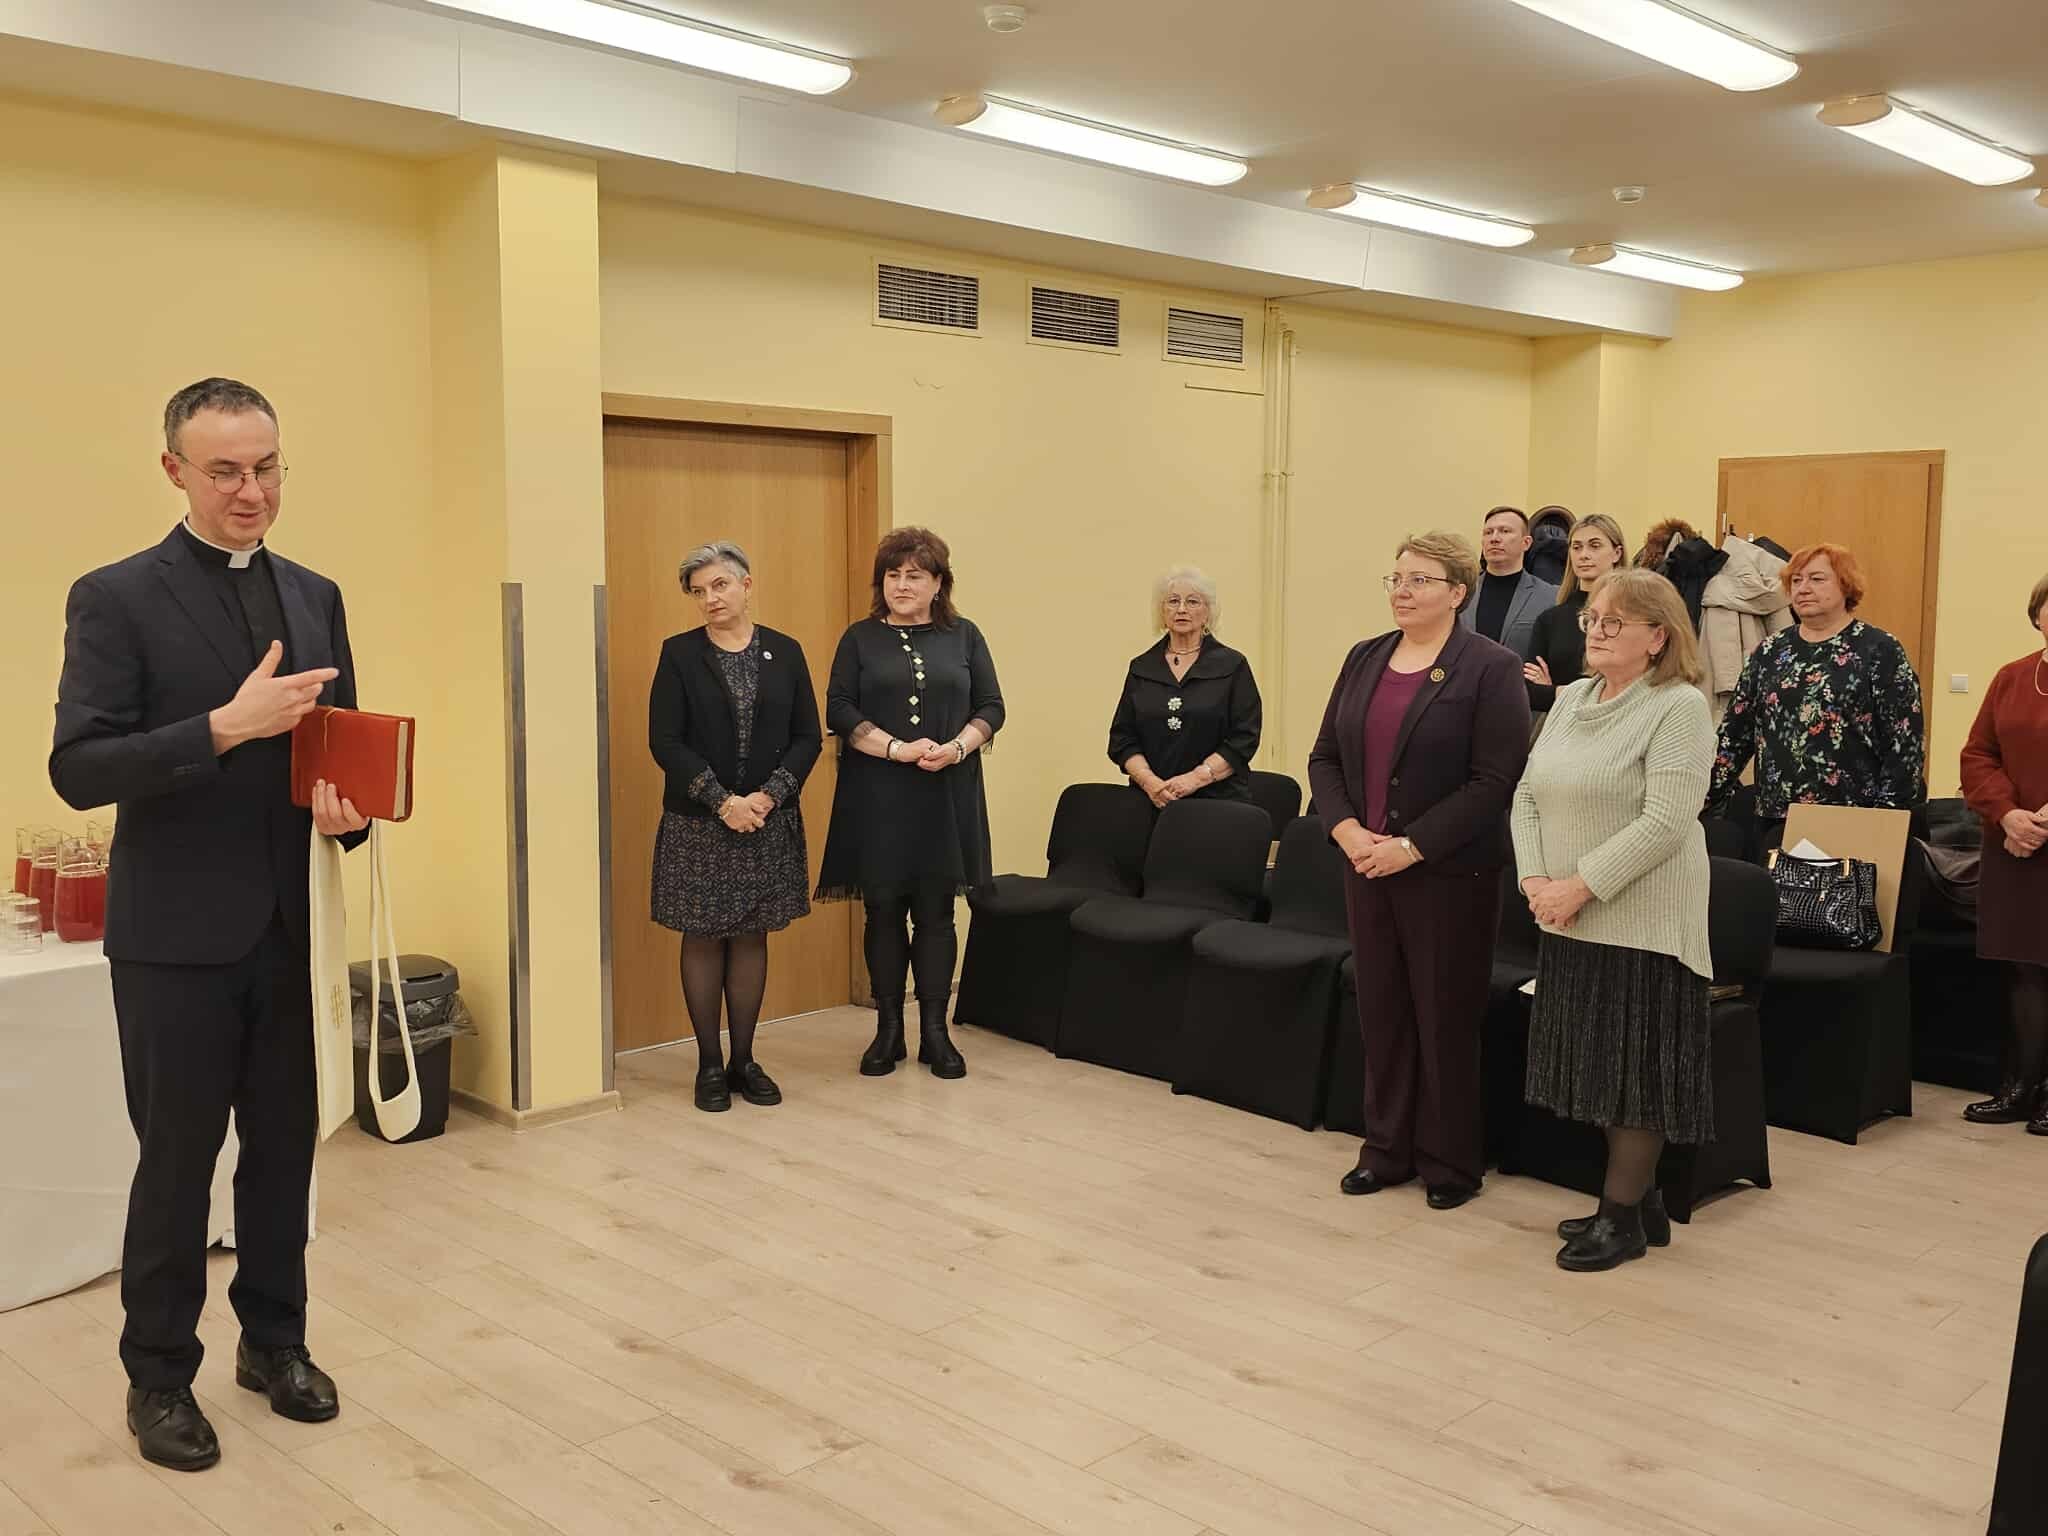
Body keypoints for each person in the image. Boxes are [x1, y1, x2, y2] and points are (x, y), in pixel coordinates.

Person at [49, 379, 368, 1472]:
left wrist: (352, 809)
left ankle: (275, 1343)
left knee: (282, 1157)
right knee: (177, 1167)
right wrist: (222, 729)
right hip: (173, 940)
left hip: (289, 927)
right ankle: (158, 1376)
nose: (251, 490)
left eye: (266, 466)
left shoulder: (317, 594)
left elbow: (338, 742)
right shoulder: (115, 597)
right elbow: (80, 767)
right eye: (225, 470)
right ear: (174, 471)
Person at [1309, 531, 1530, 1210]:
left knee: (1443, 1018)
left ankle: (1449, 1161)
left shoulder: (1490, 667)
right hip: (1366, 865)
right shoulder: (1365, 657)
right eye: (1396, 578)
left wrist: (1410, 847)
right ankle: (1386, 1150)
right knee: (1381, 1012)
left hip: (1449, 874)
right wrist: (1348, 832)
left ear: (1457, 592)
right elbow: (1324, 758)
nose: (1402, 591)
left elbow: (1494, 779)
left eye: (1420, 580)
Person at [1512, 570, 1716, 1272]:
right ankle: (1642, 1204)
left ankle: (1619, 1221)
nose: (1595, 631)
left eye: (1613, 622)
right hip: (1567, 911)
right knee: (1598, 1067)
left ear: (1658, 637)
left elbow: (1667, 821)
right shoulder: (1571, 698)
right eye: (1591, 619)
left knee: (1636, 1074)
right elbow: (1527, 795)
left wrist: (1579, 886)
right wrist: (1536, 880)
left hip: (1644, 919)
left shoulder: (1678, 706)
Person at [818, 527, 1004, 1079]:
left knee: (936, 913)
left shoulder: (965, 635)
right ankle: (888, 1031)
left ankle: (935, 1034)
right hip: (877, 794)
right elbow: (840, 708)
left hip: (947, 790)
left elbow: (992, 706)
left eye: (915, 575)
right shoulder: (859, 638)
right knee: (882, 910)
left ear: (939, 583)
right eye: (892, 575)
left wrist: (957, 747)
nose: (902, 585)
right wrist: (895, 749)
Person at [648, 541, 822, 1114]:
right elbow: (665, 742)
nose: (710, 599)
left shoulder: (786, 652)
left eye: (719, 585)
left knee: (751, 935)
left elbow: (808, 737)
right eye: (698, 592)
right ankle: (708, 1064)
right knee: (702, 937)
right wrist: (723, 802)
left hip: (767, 820)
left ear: (746, 585)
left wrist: (768, 797)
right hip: (700, 823)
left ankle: (743, 1060)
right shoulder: (679, 654)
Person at [1706, 542, 1926, 847]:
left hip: (1855, 821)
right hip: (1777, 820)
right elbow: (1734, 738)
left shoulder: (1880, 650)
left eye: (1817, 579)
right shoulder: (1770, 652)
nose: (1803, 588)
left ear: (1846, 585)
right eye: (1796, 580)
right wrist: (1700, 801)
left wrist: (1886, 820)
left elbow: (1905, 744)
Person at [1958, 572, 2048, 1134]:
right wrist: (2009, 815)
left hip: (2040, 835)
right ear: (2037, 614)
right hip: (2013, 845)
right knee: (2024, 969)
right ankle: (2022, 1086)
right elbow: (1977, 755)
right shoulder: (2012, 677)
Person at [1108, 566, 1261, 809]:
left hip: (1217, 802)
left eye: (1192, 601)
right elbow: (1122, 739)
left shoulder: (1233, 665)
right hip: (1151, 800)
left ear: (1208, 612)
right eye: (1173, 601)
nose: (1181, 609)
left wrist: (1195, 779)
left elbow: (1244, 737)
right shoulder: (1142, 667)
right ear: (1162, 612)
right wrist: (1149, 782)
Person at [1523, 514, 1628, 716]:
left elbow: (1633, 686)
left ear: (1617, 553)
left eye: (1594, 546)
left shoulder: (1632, 614)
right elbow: (1529, 692)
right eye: (1577, 547)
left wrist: (1555, 691)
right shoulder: (1551, 619)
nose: (1584, 555)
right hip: (1563, 727)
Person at [1460, 505, 1558, 660]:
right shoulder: (1460, 592)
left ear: (1526, 543)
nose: (1494, 538)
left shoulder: (1550, 597)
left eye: (1505, 531)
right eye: (1488, 532)